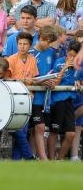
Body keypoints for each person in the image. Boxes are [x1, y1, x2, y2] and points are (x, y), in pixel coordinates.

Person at [6, 32, 38, 160]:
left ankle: (16, 162)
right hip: (15, 98)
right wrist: (22, 81)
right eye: (20, 44)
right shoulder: (11, 59)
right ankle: (29, 157)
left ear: (30, 45)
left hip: (29, 98)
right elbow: (6, 80)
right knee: (19, 131)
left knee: (23, 132)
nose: (22, 46)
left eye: (25, 44)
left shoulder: (33, 59)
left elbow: (34, 78)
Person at [28, 25, 58, 160]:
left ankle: (32, 157)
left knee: (38, 130)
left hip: (47, 98)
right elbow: (26, 77)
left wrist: (52, 81)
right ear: (41, 39)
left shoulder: (52, 52)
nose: (50, 45)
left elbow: (53, 73)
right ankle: (44, 158)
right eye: (48, 41)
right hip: (34, 98)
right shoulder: (30, 54)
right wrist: (40, 82)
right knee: (39, 127)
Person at [48, 42, 79, 160]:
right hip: (57, 101)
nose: (71, 58)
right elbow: (55, 83)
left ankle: (60, 159)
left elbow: (79, 81)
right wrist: (65, 68)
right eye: (69, 55)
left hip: (70, 101)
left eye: (74, 56)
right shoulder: (59, 62)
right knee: (54, 131)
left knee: (71, 134)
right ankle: (51, 161)